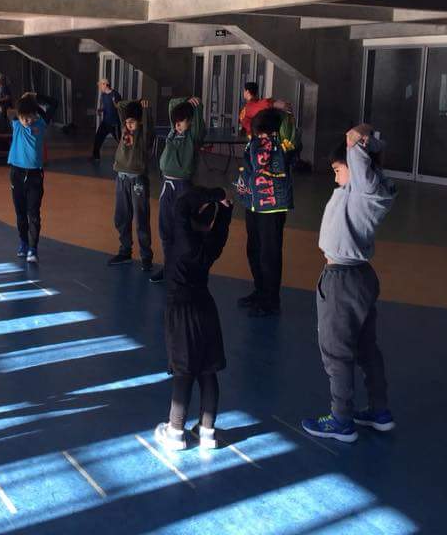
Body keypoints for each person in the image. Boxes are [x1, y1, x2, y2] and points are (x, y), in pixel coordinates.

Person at [300, 125, 396, 443]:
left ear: (356, 167)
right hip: (360, 277)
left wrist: (358, 139)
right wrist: (368, 143)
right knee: (366, 348)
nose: (335, 177)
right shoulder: (369, 190)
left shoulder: (363, 189)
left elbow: (355, 142)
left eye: (338, 170)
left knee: (336, 352)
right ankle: (379, 411)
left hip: (342, 280)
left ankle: (341, 419)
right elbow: (364, 153)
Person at [154, 186, 232, 451]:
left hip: (181, 311)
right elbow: (221, 228)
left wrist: (217, 193)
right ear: (209, 224)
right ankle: (208, 431)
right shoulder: (211, 245)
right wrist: (225, 208)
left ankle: (175, 431)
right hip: (206, 309)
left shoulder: (181, 238)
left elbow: (182, 204)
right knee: (208, 370)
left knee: (183, 371)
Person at [235, 108, 295, 317]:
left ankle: (270, 300)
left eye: (263, 133)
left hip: (272, 207)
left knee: (269, 254)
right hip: (253, 204)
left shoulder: (283, 145)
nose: (259, 137)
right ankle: (260, 291)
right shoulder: (253, 143)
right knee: (254, 250)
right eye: (257, 133)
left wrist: (283, 114)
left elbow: (290, 130)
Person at [150, 97, 204, 284]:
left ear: (190, 121)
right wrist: (185, 100)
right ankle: (169, 267)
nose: (178, 125)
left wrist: (196, 106)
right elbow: (172, 104)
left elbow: (196, 121)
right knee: (165, 229)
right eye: (176, 122)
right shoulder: (173, 132)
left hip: (183, 187)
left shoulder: (193, 136)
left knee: (183, 229)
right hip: (167, 186)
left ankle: (183, 269)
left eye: (182, 122)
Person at [108, 99, 155, 271]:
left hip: (137, 181)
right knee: (121, 217)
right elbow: (121, 106)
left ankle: (146, 256)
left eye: (132, 122)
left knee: (141, 219)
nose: (128, 125)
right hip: (122, 179)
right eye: (127, 122)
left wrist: (145, 110)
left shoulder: (143, 135)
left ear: (140, 122)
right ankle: (125, 251)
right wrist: (134, 103)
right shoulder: (125, 130)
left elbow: (148, 128)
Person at [8, 93, 47, 264]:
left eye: (30, 117)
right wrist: (23, 102)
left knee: (34, 213)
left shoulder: (41, 124)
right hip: (16, 174)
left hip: (34, 176)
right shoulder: (16, 124)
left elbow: (51, 107)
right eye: (23, 117)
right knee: (20, 212)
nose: (26, 121)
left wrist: (34, 100)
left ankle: (33, 247)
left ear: (35, 114)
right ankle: (23, 242)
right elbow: (10, 111)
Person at [91, 79, 122, 161]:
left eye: (100, 85)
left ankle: (128, 157)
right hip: (105, 122)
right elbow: (106, 107)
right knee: (98, 138)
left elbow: (119, 107)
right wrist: (100, 110)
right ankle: (96, 156)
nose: (99, 88)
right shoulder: (103, 95)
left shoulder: (115, 94)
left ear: (105, 84)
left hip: (114, 123)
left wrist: (115, 102)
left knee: (121, 141)